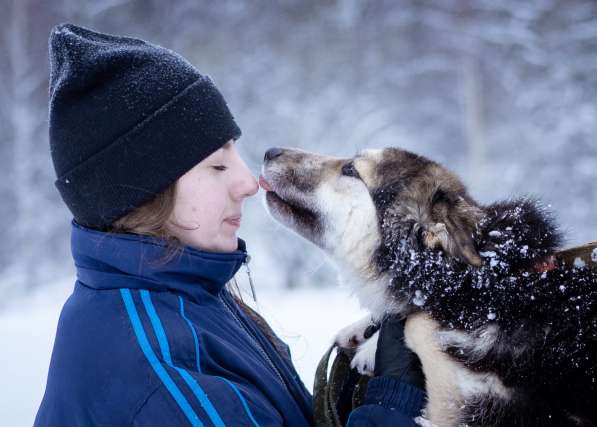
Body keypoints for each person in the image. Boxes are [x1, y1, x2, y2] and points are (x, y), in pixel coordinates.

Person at [35, 23, 426, 426]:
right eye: (217, 165)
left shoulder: (179, 296)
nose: (248, 183)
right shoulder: (160, 372)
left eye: (235, 155)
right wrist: (393, 404)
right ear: (145, 192)